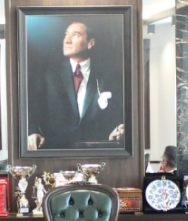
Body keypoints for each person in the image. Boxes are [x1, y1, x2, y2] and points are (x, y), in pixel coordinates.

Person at [27, 20, 124, 150]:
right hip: (55, 151)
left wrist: (117, 130)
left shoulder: (107, 75)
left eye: (75, 35)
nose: (67, 40)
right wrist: (33, 132)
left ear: (90, 43)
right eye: (66, 34)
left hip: (95, 151)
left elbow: (116, 112)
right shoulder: (48, 73)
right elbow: (33, 108)